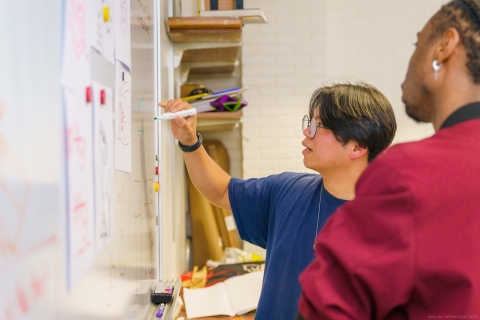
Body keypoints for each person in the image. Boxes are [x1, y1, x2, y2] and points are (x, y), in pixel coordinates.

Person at [297, 1, 480, 319]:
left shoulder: (408, 175)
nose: (411, 58)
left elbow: (325, 309)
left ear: (444, 47)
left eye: (417, 43)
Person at [159, 82, 397, 320]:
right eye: (309, 122)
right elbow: (221, 191)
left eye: (318, 125)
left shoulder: (392, 228)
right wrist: (189, 141)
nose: (307, 132)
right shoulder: (288, 191)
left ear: (357, 147)